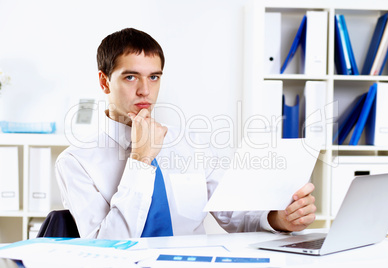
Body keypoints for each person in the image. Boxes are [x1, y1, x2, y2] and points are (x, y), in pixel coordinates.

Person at [55, 28, 316, 239]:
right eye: (131, 77)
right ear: (104, 82)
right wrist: (140, 161)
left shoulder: (193, 143)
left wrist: (277, 218)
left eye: (154, 77)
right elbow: (105, 247)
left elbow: (233, 215)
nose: (145, 90)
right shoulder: (76, 162)